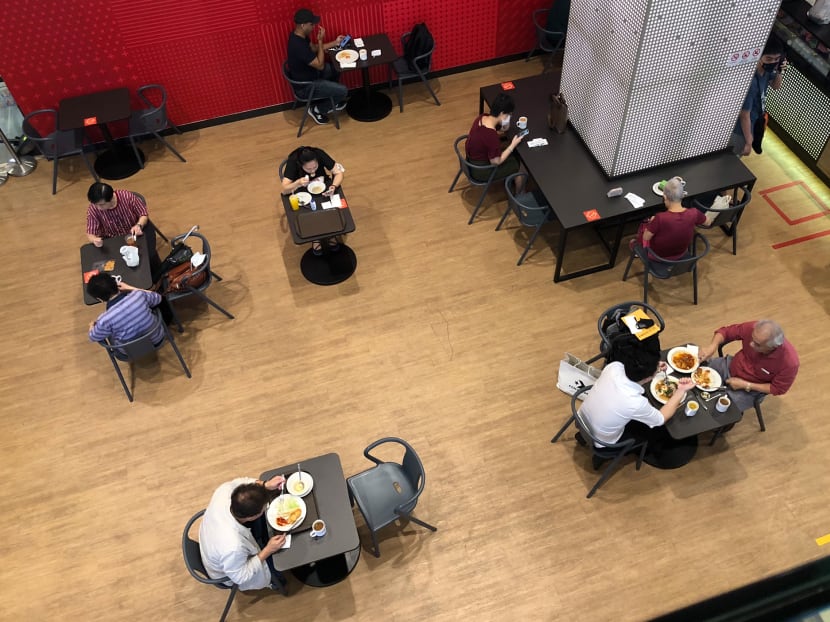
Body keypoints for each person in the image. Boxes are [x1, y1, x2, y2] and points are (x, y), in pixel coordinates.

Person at [578, 333, 694, 448]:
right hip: (601, 441)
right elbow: (661, 418)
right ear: (649, 376)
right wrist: (681, 390)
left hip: (581, 417)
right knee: (653, 433)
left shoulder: (614, 367)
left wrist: (653, 367)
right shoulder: (635, 403)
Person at [199, 475, 288, 592]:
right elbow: (240, 576)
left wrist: (265, 484)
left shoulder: (224, 491)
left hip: (212, 540)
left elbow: (240, 482)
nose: (265, 509)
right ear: (251, 517)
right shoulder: (233, 546)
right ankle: (276, 581)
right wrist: (268, 550)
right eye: (263, 509)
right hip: (228, 571)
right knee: (277, 565)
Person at [699, 320, 799, 413]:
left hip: (750, 389)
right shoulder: (755, 329)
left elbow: (778, 388)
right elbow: (725, 332)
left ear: (772, 347)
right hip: (730, 365)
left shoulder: (789, 363)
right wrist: (712, 346)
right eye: (752, 338)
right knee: (696, 372)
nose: (751, 344)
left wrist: (746, 385)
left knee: (719, 409)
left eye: (757, 344)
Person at [286, 8, 348, 126]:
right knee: (343, 91)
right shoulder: (298, 46)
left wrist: (336, 42)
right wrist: (320, 41)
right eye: (311, 24)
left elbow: (314, 48)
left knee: (336, 68)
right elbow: (320, 65)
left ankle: (332, 99)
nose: (314, 26)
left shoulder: (300, 36)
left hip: (311, 74)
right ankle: (317, 110)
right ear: (303, 25)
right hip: (306, 86)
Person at [281, 146, 345, 255]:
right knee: (308, 214)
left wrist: (333, 186)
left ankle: (330, 233)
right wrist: (298, 182)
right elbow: (284, 189)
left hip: (323, 186)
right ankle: (316, 238)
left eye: (315, 167)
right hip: (302, 190)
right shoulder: (293, 161)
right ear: (301, 165)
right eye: (308, 169)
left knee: (329, 209)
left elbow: (338, 173)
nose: (313, 171)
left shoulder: (319, 154)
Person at [729, 39, 787, 157]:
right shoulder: (751, 81)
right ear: (759, 57)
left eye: (776, 59)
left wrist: (780, 71)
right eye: (769, 59)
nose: (773, 62)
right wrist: (749, 142)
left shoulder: (765, 72)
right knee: (733, 158)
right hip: (739, 129)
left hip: (753, 121)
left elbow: (776, 86)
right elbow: (744, 114)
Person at [85, 182, 160, 268]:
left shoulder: (126, 197)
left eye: (101, 204)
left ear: (111, 198)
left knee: (149, 256)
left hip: (136, 232)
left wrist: (139, 225)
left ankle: (157, 274)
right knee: (115, 264)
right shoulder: (93, 209)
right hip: (113, 237)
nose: (98, 208)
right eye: (95, 204)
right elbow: (90, 233)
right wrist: (94, 239)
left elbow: (143, 214)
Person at [632, 177, 705, 260]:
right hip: (681, 254)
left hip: (657, 256)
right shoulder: (694, 213)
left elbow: (646, 237)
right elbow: (708, 222)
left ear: (665, 197)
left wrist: (651, 223)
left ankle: (636, 246)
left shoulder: (660, 218)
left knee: (644, 225)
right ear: (683, 195)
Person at [87, 275, 165, 347]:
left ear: (99, 299)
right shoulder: (138, 295)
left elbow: (93, 337)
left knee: (110, 332)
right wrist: (131, 288)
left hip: (131, 350)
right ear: (116, 285)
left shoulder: (104, 320)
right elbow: (158, 298)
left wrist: (91, 326)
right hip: (157, 337)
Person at [466, 93, 524, 182]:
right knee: (519, 167)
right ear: (502, 113)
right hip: (481, 171)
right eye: (509, 115)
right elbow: (496, 162)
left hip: (470, 160)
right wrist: (513, 145)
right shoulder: (491, 135)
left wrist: (505, 123)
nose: (510, 117)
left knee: (507, 149)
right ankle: (520, 194)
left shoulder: (482, 117)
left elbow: (503, 129)